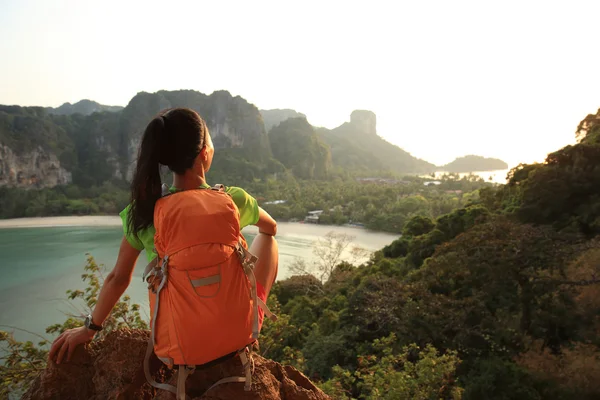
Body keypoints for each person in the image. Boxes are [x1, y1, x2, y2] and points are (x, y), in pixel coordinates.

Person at [49, 107, 278, 364]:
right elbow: (271, 227)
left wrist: (89, 328)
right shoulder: (233, 199)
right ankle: (246, 330)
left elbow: (118, 278)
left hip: (179, 347)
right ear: (205, 152)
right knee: (269, 241)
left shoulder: (144, 212)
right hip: (237, 334)